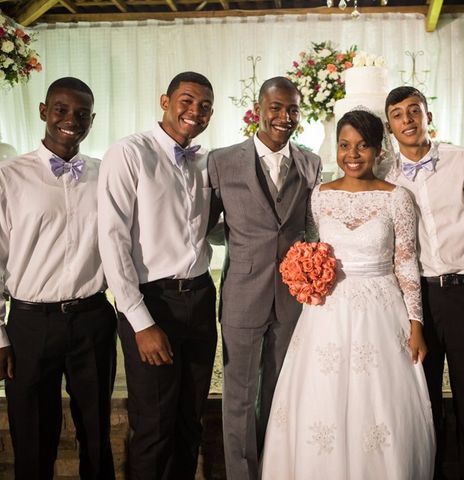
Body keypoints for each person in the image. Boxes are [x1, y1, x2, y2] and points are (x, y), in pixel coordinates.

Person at [261, 109, 435, 479]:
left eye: (362, 146)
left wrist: (416, 323)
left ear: (378, 150)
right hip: (328, 310)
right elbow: (311, 246)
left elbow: (406, 263)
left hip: (381, 307)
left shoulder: (398, 198)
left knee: (377, 403)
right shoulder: (320, 196)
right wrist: (305, 273)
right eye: (344, 145)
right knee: (322, 397)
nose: (352, 154)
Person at [97, 71, 216, 480]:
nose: (194, 111)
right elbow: (111, 241)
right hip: (153, 302)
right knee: (153, 426)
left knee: (190, 422)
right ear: (164, 101)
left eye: (204, 106)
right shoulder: (129, 153)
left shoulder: (204, 160)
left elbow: (208, 227)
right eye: (186, 100)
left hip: (201, 297)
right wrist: (141, 322)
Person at [0, 77, 117, 479]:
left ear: (92, 119)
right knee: (33, 438)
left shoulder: (107, 175)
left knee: (97, 435)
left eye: (81, 114)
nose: (71, 120)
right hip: (31, 324)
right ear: (43, 111)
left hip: (93, 318)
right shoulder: (9, 177)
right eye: (62, 110)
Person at [384, 86, 464, 479]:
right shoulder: (385, 175)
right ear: (390, 126)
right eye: (398, 114)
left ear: (427, 115)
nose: (408, 120)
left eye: (414, 111)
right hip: (419, 300)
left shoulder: (462, 159)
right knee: (425, 402)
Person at [208, 76, 322, 480]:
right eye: (276, 108)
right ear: (258, 108)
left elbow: (311, 229)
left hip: (292, 297)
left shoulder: (310, 162)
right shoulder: (220, 161)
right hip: (242, 292)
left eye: (292, 109)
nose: (284, 117)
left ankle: (275, 468)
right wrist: (245, 245)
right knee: (238, 395)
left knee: (280, 390)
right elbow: (207, 227)